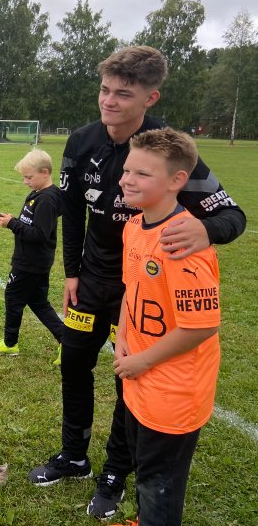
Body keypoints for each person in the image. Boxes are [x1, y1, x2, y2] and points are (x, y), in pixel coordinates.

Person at [27, 46, 245, 521]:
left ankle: (114, 475)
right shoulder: (82, 142)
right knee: (73, 363)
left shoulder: (162, 150)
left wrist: (206, 229)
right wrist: (70, 272)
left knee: (131, 379)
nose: (109, 102)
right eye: (105, 90)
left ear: (150, 98)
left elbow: (234, 215)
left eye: (123, 94)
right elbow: (71, 213)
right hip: (91, 282)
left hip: (139, 291)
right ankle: (74, 456)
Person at [113, 128, 220, 526]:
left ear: (177, 180)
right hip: (139, 374)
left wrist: (142, 361)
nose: (127, 179)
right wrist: (123, 337)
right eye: (127, 170)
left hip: (173, 389)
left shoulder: (182, 242)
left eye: (142, 174)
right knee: (144, 468)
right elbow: (131, 288)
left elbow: (201, 327)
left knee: (159, 484)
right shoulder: (134, 226)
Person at [0, 148, 64, 363]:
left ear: (45, 172)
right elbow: (31, 224)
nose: (25, 181)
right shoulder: (38, 194)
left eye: (29, 177)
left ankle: (10, 344)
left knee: (13, 298)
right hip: (32, 260)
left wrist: (12, 224)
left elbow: (39, 234)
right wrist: (14, 220)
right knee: (38, 302)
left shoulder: (47, 199)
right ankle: (66, 340)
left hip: (30, 262)